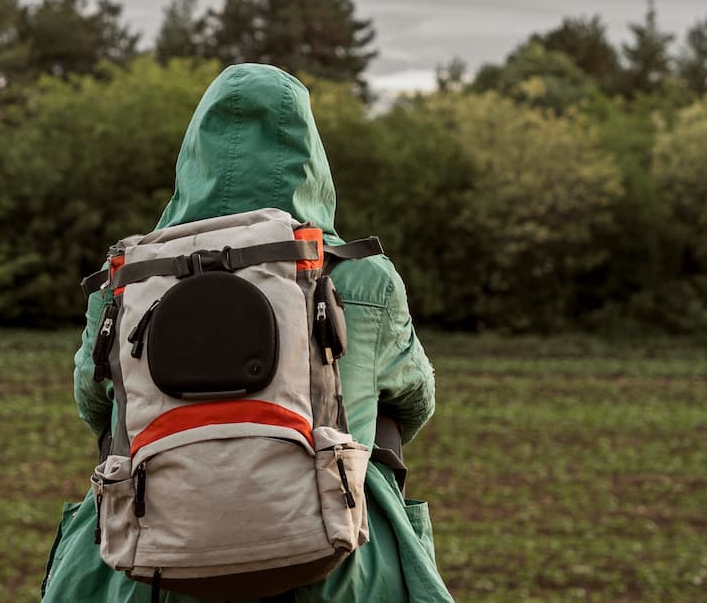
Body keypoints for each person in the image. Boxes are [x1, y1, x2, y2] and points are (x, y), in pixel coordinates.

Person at [41, 63, 452, 602]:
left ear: (194, 158)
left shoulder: (126, 279)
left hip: (156, 558)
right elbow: (414, 401)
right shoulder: (365, 277)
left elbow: (95, 405)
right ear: (310, 158)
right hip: (335, 554)